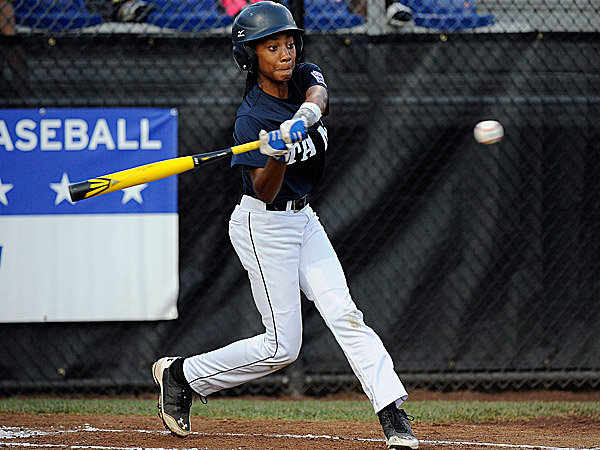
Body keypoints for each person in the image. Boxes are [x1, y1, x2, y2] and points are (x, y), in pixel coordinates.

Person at [151, 2, 419, 449]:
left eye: (288, 43)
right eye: (271, 47)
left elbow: (319, 97)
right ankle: (183, 374)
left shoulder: (303, 77)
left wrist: (301, 121)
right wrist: (275, 153)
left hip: (304, 218)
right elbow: (265, 191)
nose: (285, 53)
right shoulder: (251, 121)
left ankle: (392, 413)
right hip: (264, 226)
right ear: (249, 57)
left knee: (344, 313)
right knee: (282, 349)